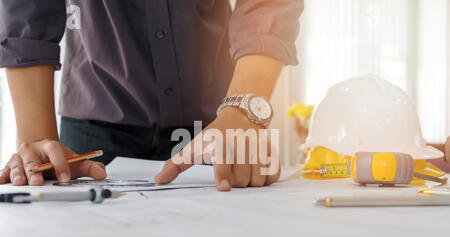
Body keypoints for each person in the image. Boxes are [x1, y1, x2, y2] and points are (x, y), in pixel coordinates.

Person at [0, 0, 304, 191]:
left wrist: (242, 111)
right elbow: (28, 9)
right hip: (91, 134)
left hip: (217, 131)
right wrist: (38, 138)